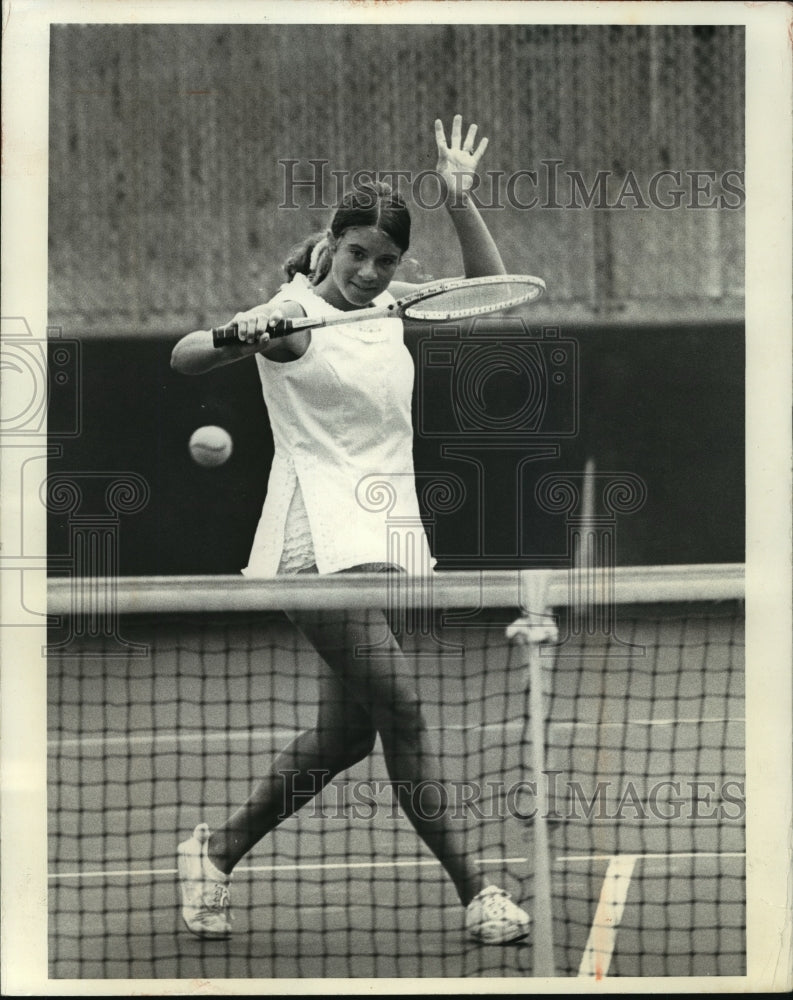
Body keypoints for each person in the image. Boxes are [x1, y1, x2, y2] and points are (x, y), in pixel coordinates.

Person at [170, 115, 531, 945]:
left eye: (386, 261)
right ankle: (476, 890)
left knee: (345, 736)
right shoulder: (292, 316)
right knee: (402, 710)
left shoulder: (389, 303)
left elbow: (489, 291)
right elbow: (187, 354)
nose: (369, 272)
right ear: (329, 245)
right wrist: (241, 333)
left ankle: (214, 854)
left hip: (383, 536)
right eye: (357, 254)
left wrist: (458, 199)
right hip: (313, 546)